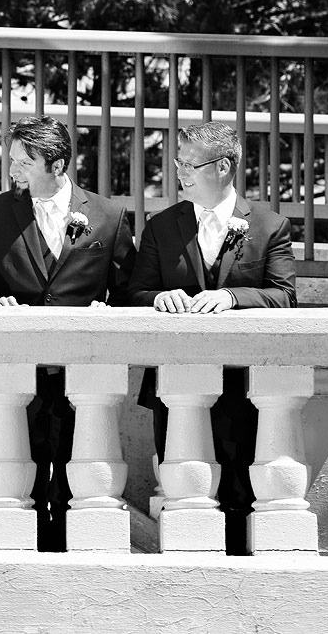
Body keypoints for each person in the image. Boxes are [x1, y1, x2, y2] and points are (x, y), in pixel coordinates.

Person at [0, 115, 136, 551]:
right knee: (22, 470)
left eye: (23, 162)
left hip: (86, 371)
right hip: (16, 372)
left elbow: (132, 292)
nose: (12, 171)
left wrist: (108, 310)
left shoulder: (110, 217)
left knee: (83, 471)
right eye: (12, 161)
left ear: (57, 165)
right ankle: (22, 553)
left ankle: (80, 557)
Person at [128, 121, 297, 554]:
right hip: (173, 381)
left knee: (241, 485)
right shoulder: (162, 226)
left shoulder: (269, 225)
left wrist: (231, 296)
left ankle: (241, 567)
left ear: (223, 167)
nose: (179, 173)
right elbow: (133, 292)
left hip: (242, 382)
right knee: (182, 482)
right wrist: (159, 296)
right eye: (178, 163)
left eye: (189, 164)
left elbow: (284, 296)